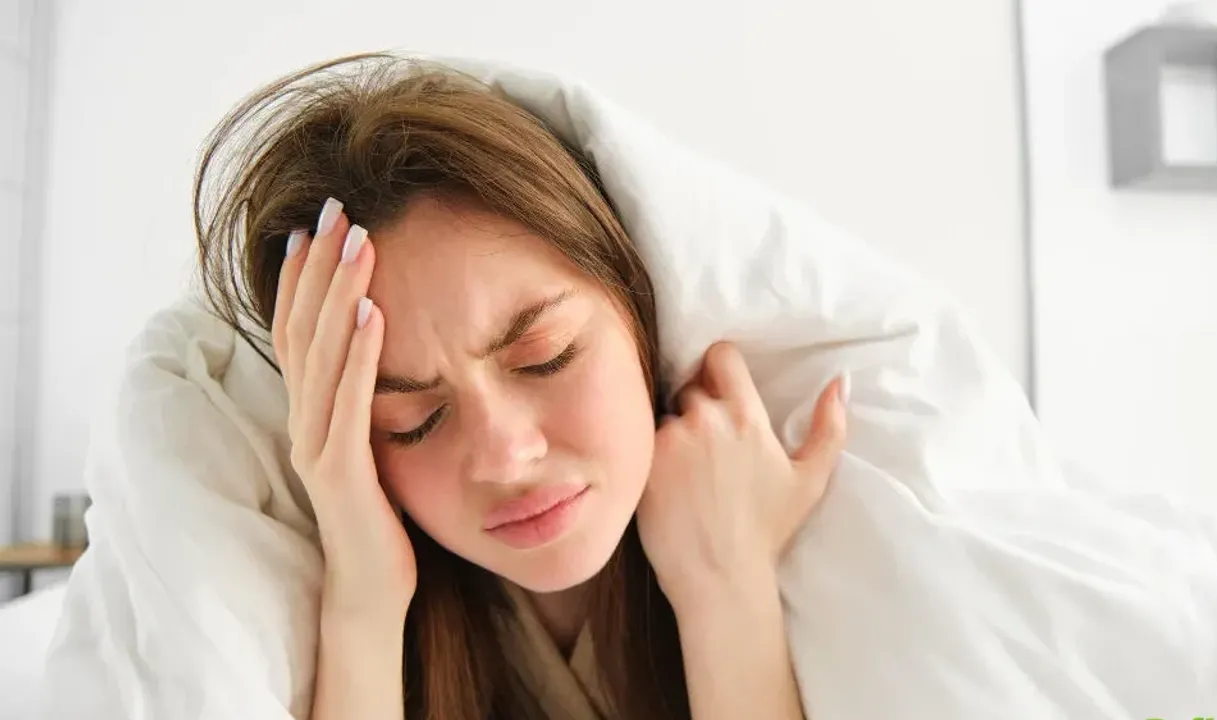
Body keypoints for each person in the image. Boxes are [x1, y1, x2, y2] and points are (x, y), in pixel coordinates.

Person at [195, 52, 849, 720]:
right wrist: (363, 599)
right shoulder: (300, 622)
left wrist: (725, 588)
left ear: (635, 302)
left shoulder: (820, 550)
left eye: (545, 357)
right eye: (413, 420)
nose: (505, 457)